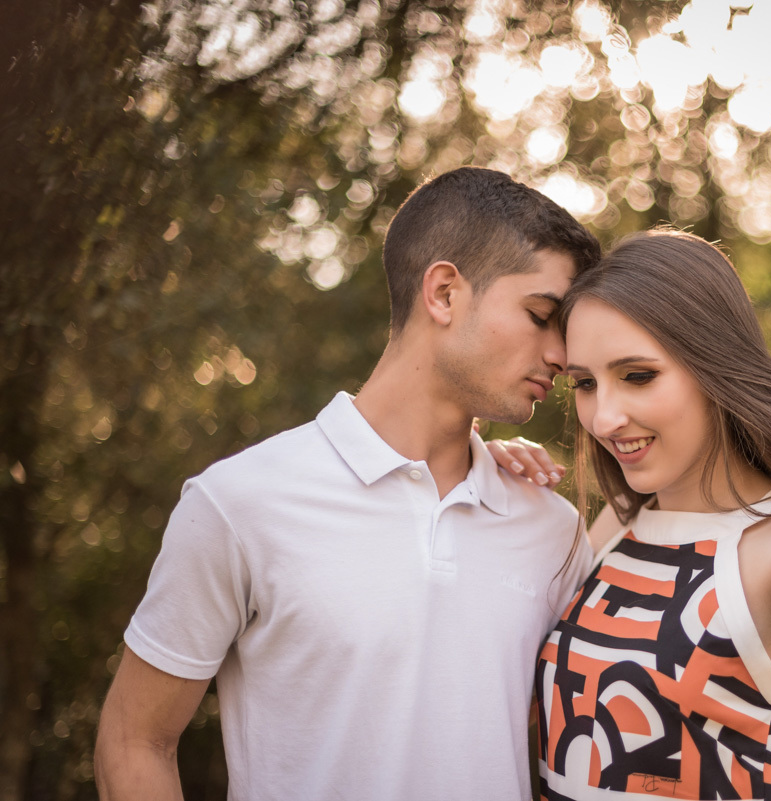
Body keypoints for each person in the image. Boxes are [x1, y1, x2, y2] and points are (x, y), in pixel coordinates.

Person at [94, 167, 602, 801]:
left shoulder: (552, 530)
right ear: (444, 293)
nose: (562, 354)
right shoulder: (240, 503)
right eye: (541, 315)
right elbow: (134, 740)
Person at [530, 229, 771, 800]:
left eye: (638, 375)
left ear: (716, 367)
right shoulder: (625, 522)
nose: (603, 417)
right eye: (585, 383)